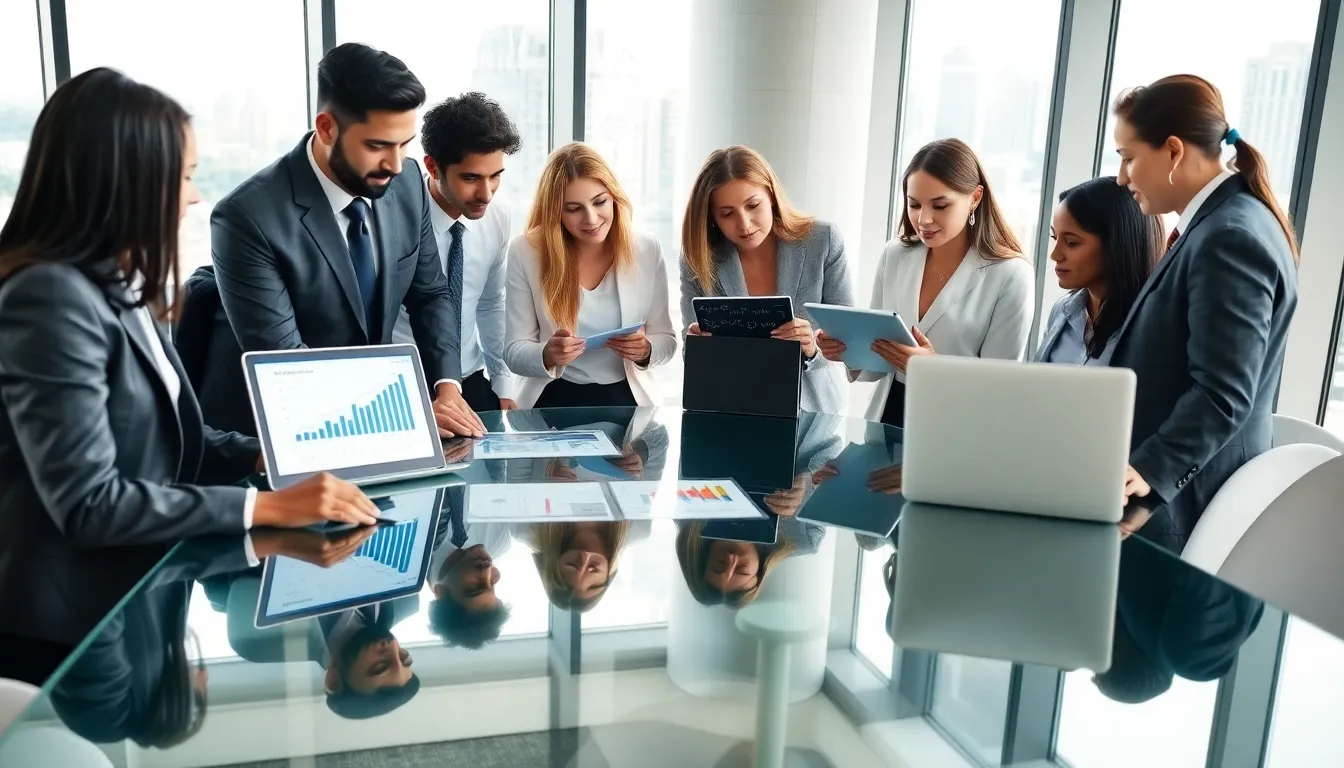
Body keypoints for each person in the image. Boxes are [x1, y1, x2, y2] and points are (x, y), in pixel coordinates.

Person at [0, 68, 380, 683]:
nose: (193, 198)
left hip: (134, 595)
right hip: (66, 628)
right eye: (183, 177)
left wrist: (261, 456)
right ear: (127, 182)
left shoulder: (123, 285)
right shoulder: (48, 296)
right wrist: (265, 505)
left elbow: (178, 441)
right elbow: (90, 503)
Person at [209, 42, 484, 438]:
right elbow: (286, 366)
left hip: (382, 424)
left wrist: (447, 388)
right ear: (326, 128)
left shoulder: (407, 182)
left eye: (404, 144)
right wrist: (405, 412)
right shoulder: (247, 217)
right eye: (377, 145)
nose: (395, 164)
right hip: (291, 431)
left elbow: (430, 294)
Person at [1109, 74, 1299, 547]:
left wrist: (1148, 473)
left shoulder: (1229, 236)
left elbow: (1223, 393)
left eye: (1129, 158)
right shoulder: (1223, 223)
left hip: (1180, 512)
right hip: (1171, 502)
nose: (1122, 177)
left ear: (1173, 151)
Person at [816, 138, 1034, 427]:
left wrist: (932, 372)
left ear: (975, 198)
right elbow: (876, 362)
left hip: (954, 428)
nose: (924, 219)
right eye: (914, 204)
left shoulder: (1010, 275)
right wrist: (846, 349)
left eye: (940, 206)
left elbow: (999, 390)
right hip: (887, 418)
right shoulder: (895, 254)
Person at [680, 146, 854, 414]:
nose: (745, 224)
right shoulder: (699, 258)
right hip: (730, 409)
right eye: (727, 213)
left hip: (813, 412)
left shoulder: (823, 241)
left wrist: (811, 349)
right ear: (712, 217)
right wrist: (698, 347)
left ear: (771, 195)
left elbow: (849, 344)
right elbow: (690, 354)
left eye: (753, 206)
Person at [504, 142, 677, 408]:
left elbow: (667, 340)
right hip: (552, 395)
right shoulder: (525, 251)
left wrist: (646, 350)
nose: (591, 219)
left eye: (600, 202)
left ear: (614, 197)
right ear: (555, 212)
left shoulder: (646, 249)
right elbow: (514, 350)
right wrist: (547, 354)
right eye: (574, 209)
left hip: (627, 396)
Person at [390, 92, 522, 414]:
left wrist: (502, 383)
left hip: (470, 378)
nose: (486, 194)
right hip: (402, 383)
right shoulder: (394, 219)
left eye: (495, 176)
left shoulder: (499, 217)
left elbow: (491, 303)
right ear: (433, 167)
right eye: (471, 178)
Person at [1035, 176, 1164, 365]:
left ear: (1117, 245)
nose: (1055, 255)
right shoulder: (1062, 310)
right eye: (1055, 238)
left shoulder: (1153, 327)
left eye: (1071, 242)